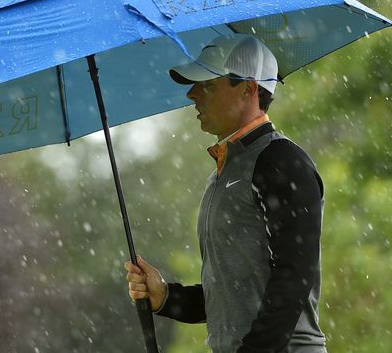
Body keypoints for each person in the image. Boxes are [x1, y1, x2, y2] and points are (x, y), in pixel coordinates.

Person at [124, 33, 327, 353]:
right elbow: (230, 295)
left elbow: (293, 280)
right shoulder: (223, 172)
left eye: (206, 84)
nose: (192, 94)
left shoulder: (283, 162)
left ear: (248, 88)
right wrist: (166, 297)